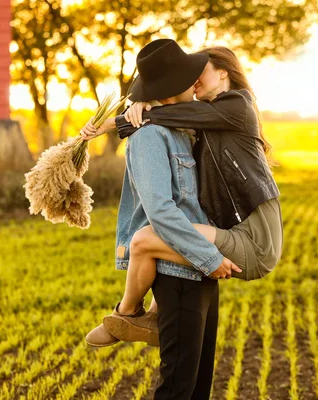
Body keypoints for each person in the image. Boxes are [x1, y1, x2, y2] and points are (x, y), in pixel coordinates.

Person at [83, 44, 283, 353]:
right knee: (151, 241)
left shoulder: (236, 107)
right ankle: (145, 319)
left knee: (143, 241)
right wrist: (136, 112)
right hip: (235, 230)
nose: (193, 78)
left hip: (256, 240)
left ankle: (124, 316)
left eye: (200, 70)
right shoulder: (207, 120)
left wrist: (125, 118)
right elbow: (175, 118)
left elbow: (176, 113)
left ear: (223, 73)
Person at [84, 39, 242, 399]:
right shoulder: (150, 137)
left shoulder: (183, 127)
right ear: (173, 89)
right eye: (190, 77)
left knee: (198, 385)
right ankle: (127, 315)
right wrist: (210, 258)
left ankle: (125, 316)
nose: (196, 82)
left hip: (198, 270)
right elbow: (161, 211)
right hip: (178, 274)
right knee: (177, 389)